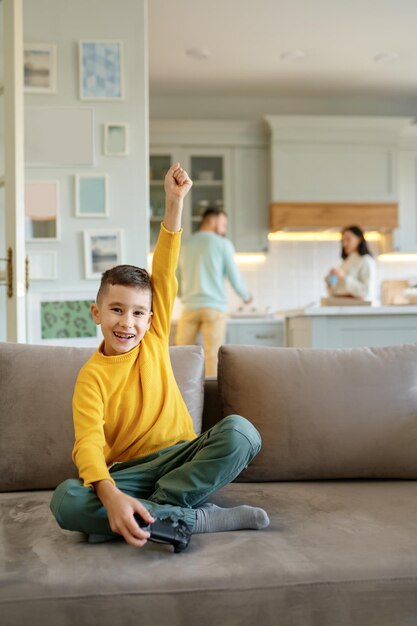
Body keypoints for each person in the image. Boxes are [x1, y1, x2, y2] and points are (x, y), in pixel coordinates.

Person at [50, 164, 269, 551]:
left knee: (242, 431)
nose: (127, 323)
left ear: (151, 319)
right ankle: (193, 519)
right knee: (66, 499)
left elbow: (165, 270)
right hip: (129, 474)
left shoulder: (153, 337)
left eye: (137, 313)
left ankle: (130, 519)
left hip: (182, 458)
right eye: (116, 310)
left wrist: (174, 201)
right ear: (96, 313)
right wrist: (110, 494)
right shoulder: (91, 377)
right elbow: (87, 444)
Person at [175, 207, 252, 376]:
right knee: (213, 356)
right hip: (214, 308)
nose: (224, 230)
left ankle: (179, 396)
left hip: (189, 307)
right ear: (212, 220)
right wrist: (246, 296)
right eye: (223, 224)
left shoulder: (185, 244)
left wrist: (184, 295)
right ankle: (212, 398)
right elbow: (234, 276)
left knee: (181, 354)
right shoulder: (223, 244)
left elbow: (176, 277)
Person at [325, 225, 376, 302]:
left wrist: (344, 277)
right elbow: (336, 291)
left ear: (359, 239)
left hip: (356, 308)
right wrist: (330, 283)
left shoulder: (366, 260)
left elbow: (366, 291)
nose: (344, 244)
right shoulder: (345, 262)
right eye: (343, 241)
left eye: (348, 239)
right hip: (341, 305)